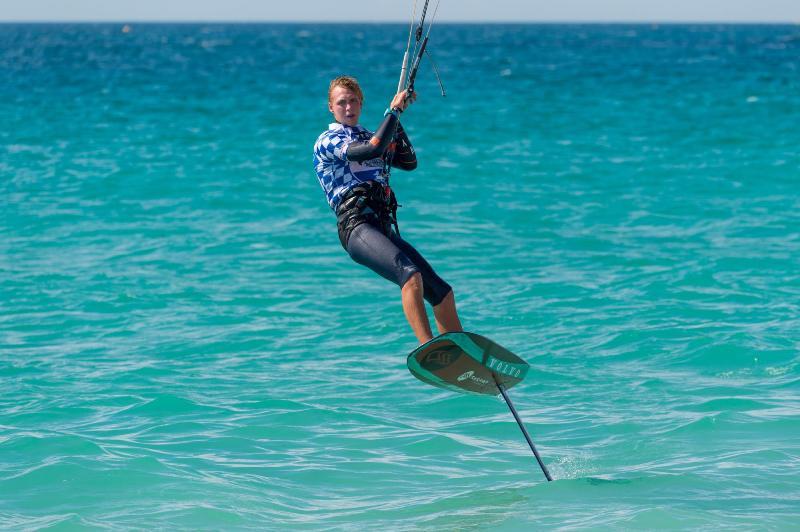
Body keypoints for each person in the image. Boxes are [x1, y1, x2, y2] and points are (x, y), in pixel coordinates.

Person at [313, 75, 463, 345]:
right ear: (330, 107)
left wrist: (396, 117)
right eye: (342, 103)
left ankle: (462, 353)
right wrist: (393, 112)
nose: (349, 108)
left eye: (354, 101)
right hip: (356, 227)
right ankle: (428, 348)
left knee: (442, 292)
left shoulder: (371, 135)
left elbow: (409, 161)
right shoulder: (328, 140)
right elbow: (371, 150)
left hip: (382, 228)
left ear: (361, 103)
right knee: (410, 275)